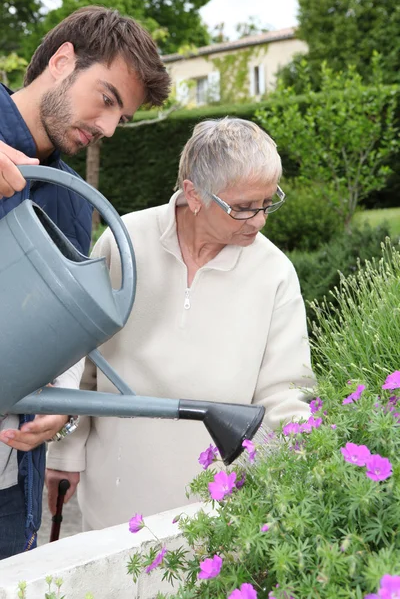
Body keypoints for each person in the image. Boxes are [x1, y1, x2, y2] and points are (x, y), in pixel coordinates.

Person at [45, 117, 315, 531]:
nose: (260, 220)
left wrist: (310, 459)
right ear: (194, 193)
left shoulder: (275, 272)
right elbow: (82, 364)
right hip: (113, 501)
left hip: (217, 512)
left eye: (268, 202)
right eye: (243, 207)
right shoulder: (124, 243)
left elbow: (286, 392)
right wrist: (64, 457)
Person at [0, 6, 170, 558]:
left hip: (7, 476)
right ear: (63, 61)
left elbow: (63, 339)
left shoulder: (74, 200)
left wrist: (62, 410)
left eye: (121, 117)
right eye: (107, 99)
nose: (108, 128)